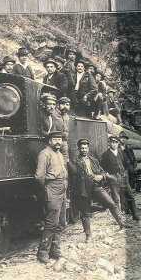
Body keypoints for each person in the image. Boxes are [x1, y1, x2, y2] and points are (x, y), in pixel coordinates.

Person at [69, 138, 125, 240]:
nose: (84, 150)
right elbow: (72, 176)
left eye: (86, 148)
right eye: (82, 148)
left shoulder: (93, 160)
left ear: (88, 149)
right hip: (82, 188)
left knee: (111, 203)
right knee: (85, 213)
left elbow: (102, 171)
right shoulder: (75, 161)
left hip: (95, 186)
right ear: (79, 149)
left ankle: (121, 224)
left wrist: (101, 176)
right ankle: (88, 235)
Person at [35, 130, 68, 263]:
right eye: (55, 139)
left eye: (59, 139)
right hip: (52, 188)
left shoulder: (59, 154)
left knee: (61, 223)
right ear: (50, 141)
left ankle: (55, 250)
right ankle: (42, 253)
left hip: (62, 189)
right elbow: (39, 177)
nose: (58, 141)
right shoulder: (45, 154)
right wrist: (45, 191)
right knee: (51, 223)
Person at [100, 135, 140, 222]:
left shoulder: (120, 152)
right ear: (109, 143)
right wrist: (109, 176)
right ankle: (119, 220)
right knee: (116, 199)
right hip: (114, 178)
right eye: (112, 142)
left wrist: (125, 172)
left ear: (118, 144)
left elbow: (124, 162)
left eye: (115, 143)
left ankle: (135, 214)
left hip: (124, 177)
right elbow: (102, 168)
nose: (114, 144)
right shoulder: (105, 155)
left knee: (130, 196)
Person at [55, 96, 72, 161]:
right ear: (58, 105)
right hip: (55, 142)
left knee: (65, 160)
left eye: (67, 105)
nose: (65, 106)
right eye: (63, 104)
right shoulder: (54, 115)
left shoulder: (66, 116)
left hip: (64, 142)